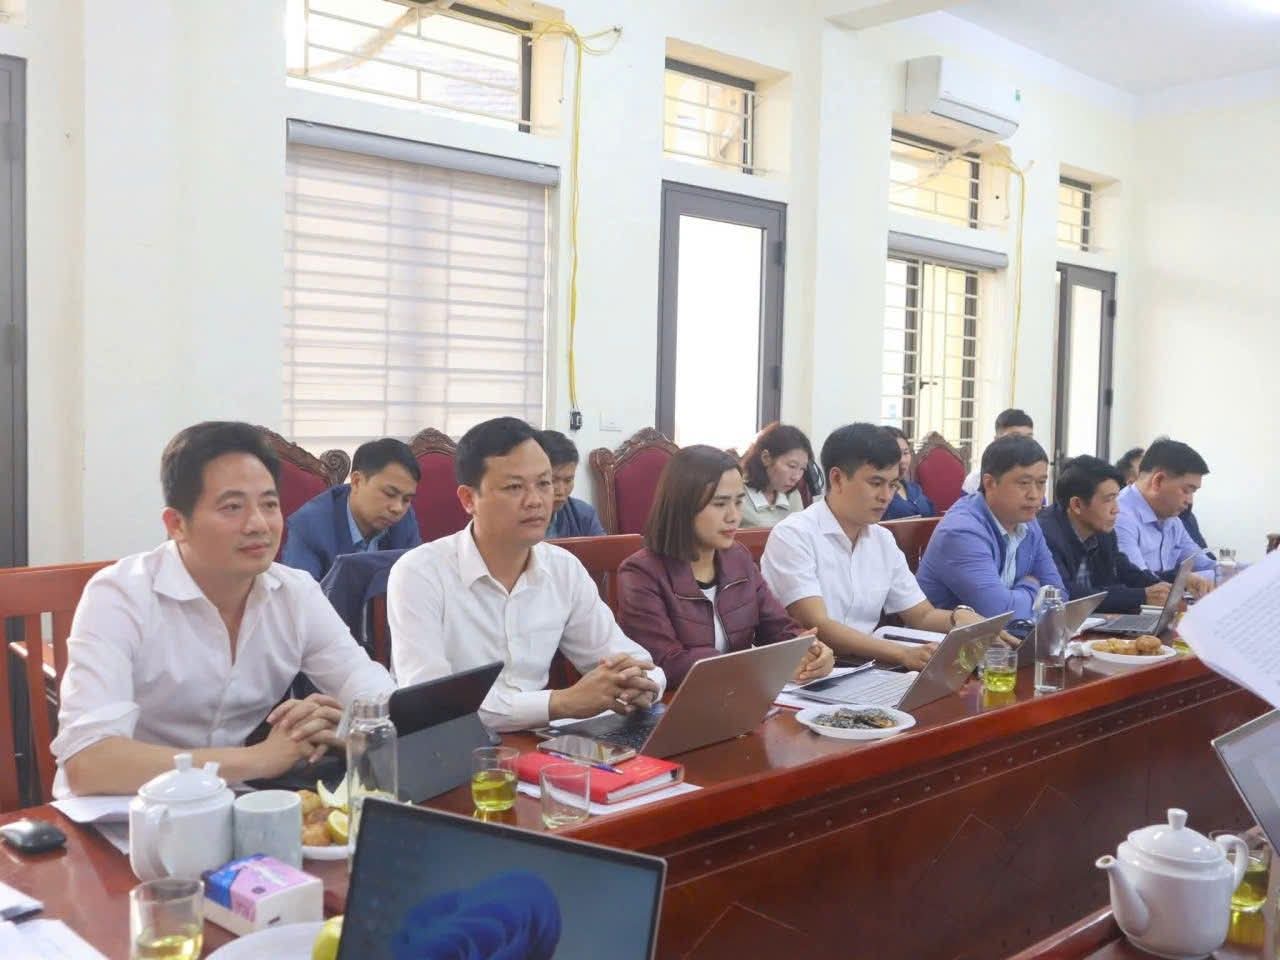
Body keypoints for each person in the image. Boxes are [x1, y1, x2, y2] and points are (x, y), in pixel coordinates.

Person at [51, 422, 395, 798]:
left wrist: (346, 730)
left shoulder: (295, 593)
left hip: (231, 805)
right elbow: (89, 762)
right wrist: (259, 759)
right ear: (177, 524)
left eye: (269, 504)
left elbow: (373, 692)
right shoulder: (120, 596)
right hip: (121, 810)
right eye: (232, 507)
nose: (258, 524)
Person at [387, 417, 665, 732]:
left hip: (539, 742)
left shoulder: (563, 569)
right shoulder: (419, 573)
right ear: (468, 499)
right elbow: (431, 704)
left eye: (544, 483)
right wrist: (561, 702)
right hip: (450, 748)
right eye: (514, 487)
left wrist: (640, 684)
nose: (535, 501)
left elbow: (631, 659)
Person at [761, 424, 985, 670]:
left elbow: (922, 615)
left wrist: (959, 618)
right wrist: (901, 653)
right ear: (837, 479)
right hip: (810, 671)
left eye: (893, 484)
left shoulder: (882, 540)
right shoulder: (794, 535)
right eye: (876, 483)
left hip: (867, 667)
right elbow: (819, 625)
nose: (886, 496)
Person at [617, 445, 834, 689]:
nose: (734, 516)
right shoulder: (641, 573)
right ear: (683, 506)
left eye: (739, 502)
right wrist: (755, 665)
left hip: (738, 693)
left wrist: (808, 649)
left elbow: (778, 628)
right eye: (720, 504)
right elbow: (667, 663)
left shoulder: (737, 558)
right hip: (678, 702)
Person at [917, 434, 1064, 620]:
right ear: (990, 483)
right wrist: (1031, 585)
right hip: (945, 637)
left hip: (1008, 634)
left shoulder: (1027, 521)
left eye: (1041, 483)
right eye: (1024, 483)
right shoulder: (962, 531)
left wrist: (1016, 598)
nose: (1035, 495)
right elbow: (999, 613)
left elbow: (1059, 597)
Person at [1037, 456, 1170, 614]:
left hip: (1097, 620)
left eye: (1116, 499)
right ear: (1077, 505)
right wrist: (1142, 596)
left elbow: (1125, 570)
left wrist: (1161, 587)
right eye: (1108, 500)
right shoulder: (1046, 534)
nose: (1116, 509)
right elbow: (1067, 593)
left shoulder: (1104, 531)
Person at [281, 437, 423, 581]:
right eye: (389, 494)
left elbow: (416, 581)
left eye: (407, 499)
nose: (398, 508)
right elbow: (299, 593)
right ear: (356, 481)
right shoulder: (310, 525)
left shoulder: (405, 519)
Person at [1115, 438, 1214, 595]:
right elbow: (1141, 580)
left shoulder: (1172, 519)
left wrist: (1238, 572)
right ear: (1158, 481)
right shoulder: (1119, 516)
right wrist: (1183, 579)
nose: (1189, 501)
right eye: (1186, 490)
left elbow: (1204, 564)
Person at [738, 423, 814, 529]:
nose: (796, 477)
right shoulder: (737, 495)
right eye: (792, 466)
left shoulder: (793, 496)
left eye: (802, 469)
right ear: (766, 458)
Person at [537, 430, 605, 539]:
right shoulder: (514, 516)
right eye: (552, 480)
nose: (561, 491)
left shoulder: (584, 515)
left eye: (568, 480)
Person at [961, 409, 1035, 495]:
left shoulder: (1036, 475)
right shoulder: (975, 480)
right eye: (1015, 437)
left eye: (1028, 438)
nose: (1024, 444)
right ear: (996, 440)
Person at [881, 426, 935, 520]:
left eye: (906, 453)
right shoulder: (878, 493)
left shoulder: (915, 489)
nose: (903, 460)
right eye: (895, 454)